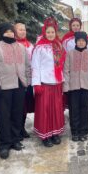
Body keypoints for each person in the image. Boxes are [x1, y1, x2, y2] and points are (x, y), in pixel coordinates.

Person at [0, 22, 30, 159]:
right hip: (3, 88)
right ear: (2, 33)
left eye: (12, 32)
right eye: (7, 32)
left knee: (17, 115)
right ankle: (4, 144)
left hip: (19, 86)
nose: (10, 34)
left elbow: (27, 66)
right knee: (3, 117)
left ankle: (15, 140)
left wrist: (26, 82)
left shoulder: (21, 47)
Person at [31, 17, 66, 147]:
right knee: (45, 109)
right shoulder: (39, 48)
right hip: (44, 83)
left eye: (53, 32)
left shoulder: (59, 46)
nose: (50, 34)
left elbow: (61, 64)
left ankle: (55, 133)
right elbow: (35, 66)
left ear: (55, 32)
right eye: (48, 32)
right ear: (44, 33)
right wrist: (36, 84)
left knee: (56, 108)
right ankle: (45, 135)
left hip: (57, 82)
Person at [63, 31, 88, 142]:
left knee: (85, 109)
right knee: (74, 109)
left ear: (86, 42)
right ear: (76, 42)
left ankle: (83, 131)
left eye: (83, 40)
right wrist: (66, 86)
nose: (81, 42)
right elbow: (66, 71)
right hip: (73, 87)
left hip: (86, 86)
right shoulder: (70, 54)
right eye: (79, 40)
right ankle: (75, 131)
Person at [14, 22, 34, 139]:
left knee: (25, 105)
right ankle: (17, 129)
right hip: (17, 80)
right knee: (18, 106)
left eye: (24, 29)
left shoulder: (29, 45)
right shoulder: (13, 44)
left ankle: (21, 127)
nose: (23, 31)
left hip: (28, 79)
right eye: (20, 29)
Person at [61, 18, 82, 109]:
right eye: (74, 25)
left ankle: (79, 108)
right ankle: (71, 109)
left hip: (81, 67)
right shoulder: (66, 38)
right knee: (71, 88)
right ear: (70, 26)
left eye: (77, 25)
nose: (76, 27)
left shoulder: (83, 36)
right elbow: (63, 52)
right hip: (70, 66)